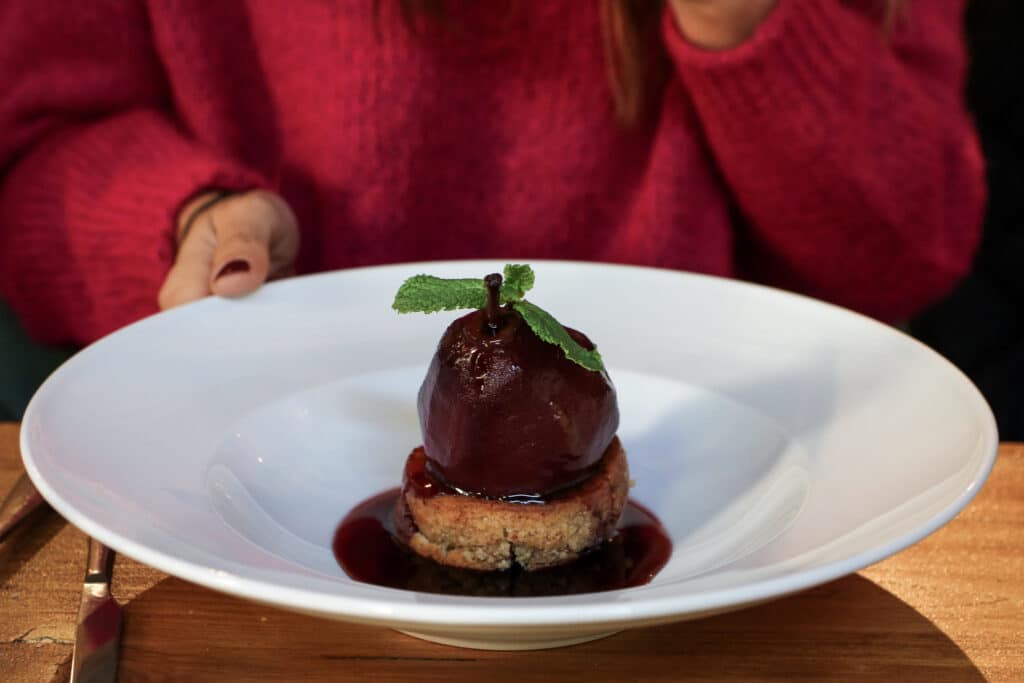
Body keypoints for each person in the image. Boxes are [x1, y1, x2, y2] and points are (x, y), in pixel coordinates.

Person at [0, 0, 984, 350]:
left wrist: (744, 22)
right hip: (248, 493)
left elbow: (909, 247)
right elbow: (39, 149)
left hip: (716, 524)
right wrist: (189, 216)